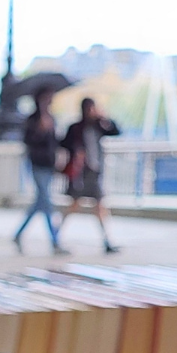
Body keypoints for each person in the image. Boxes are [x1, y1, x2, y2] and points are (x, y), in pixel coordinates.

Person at [59, 97, 121, 253]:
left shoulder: (98, 125)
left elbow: (116, 131)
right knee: (74, 205)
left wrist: (105, 117)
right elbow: (64, 144)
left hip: (94, 171)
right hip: (80, 172)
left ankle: (107, 240)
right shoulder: (75, 128)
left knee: (100, 205)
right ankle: (56, 235)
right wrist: (77, 151)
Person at [14, 89, 66, 255]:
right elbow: (27, 141)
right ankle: (55, 240)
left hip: (49, 164)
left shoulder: (52, 119)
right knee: (47, 202)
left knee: (40, 202)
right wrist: (39, 131)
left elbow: (56, 142)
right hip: (37, 164)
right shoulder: (32, 120)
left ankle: (18, 234)